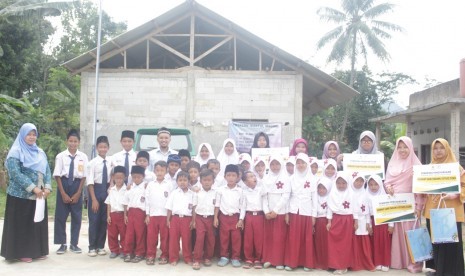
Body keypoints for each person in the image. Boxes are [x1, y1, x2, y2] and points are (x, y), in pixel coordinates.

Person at [1, 123, 52, 262]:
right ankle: (21, 252)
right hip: (20, 196)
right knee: (23, 224)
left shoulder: (40, 152)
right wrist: (32, 188)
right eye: (28, 134)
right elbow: (15, 173)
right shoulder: (16, 151)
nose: (31, 137)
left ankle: (37, 251)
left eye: (34, 134)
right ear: (23, 135)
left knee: (37, 223)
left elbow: (47, 170)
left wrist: (47, 187)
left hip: (39, 195)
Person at [416, 138, 465, 276]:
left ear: (447, 149)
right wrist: (419, 183)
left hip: (451, 212)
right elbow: (423, 190)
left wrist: (456, 194)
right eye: (435, 148)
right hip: (433, 211)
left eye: (441, 148)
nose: (438, 151)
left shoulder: (457, 168)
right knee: (436, 243)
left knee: (451, 243)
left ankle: (453, 272)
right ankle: (439, 270)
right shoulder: (429, 168)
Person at [384, 137, 423, 273]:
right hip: (396, 204)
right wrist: (388, 187)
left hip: (410, 205)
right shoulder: (392, 163)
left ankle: (413, 262)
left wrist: (419, 207)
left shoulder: (416, 165)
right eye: (399, 147)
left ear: (411, 148)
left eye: (405, 147)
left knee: (410, 233)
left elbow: (421, 188)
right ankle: (398, 262)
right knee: (397, 233)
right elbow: (387, 181)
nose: (402, 150)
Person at [53, 129, 88, 254]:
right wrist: (62, 193)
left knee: (76, 216)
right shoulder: (61, 156)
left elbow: (84, 176)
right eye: (70, 141)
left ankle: (74, 243)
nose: (73, 144)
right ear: (67, 141)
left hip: (77, 186)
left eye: (75, 141)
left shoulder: (83, 157)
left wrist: (79, 192)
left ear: (79, 142)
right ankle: (62, 244)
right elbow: (57, 175)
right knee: (61, 216)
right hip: (64, 184)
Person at [284, 153, 317, 271]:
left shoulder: (313, 179)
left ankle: (307, 263)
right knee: (293, 237)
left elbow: (315, 198)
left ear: (307, 164)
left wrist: (314, 215)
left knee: (306, 238)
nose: (300, 165)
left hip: (307, 212)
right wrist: (287, 213)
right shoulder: (291, 178)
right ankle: (292, 262)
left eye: (302, 162)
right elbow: (287, 196)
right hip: (294, 211)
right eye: (298, 162)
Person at [262, 155, 290, 270]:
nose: (275, 167)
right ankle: (268, 259)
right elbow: (263, 196)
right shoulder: (265, 178)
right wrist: (266, 211)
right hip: (268, 214)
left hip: (280, 212)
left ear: (281, 165)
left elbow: (286, 196)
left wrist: (276, 211)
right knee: (269, 237)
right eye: (272, 164)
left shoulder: (286, 178)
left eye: (277, 164)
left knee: (279, 237)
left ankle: (278, 260)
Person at [86, 135, 112, 257]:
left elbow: (112, 176)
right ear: (97, 148)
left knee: (103, 221)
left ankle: (101, 246)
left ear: (108, 147)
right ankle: (92, 247)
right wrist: (94, 199)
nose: (103, 149)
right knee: (94, 221)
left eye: (105, 147)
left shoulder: (110, 161)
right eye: (100, 147)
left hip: (106, 192)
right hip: (95, 192)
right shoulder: (92, 163)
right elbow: (90, 183)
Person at [214, 164, 243, 268]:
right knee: (224, 238)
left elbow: (242, 207)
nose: (231, 177)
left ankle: (235, 257)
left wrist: (241, 219)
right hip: (223, 218)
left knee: (236, 238)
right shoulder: (221, 190)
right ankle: (224, 256)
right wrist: (215, 218)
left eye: (233, 175)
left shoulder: (240, 191)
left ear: (237, 177)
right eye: (229, 175)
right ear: (225, 176)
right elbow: (217, 205)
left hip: (235, 217)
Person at [326, 171, 355, 275]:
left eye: (343, 183)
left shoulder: (351, 194)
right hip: (336, 220)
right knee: (334, 244)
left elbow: (354, 209)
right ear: (335, 183)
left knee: (345, 245)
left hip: (347, 220)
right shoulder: (332, 194)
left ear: (347, 183)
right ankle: (334, 264)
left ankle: (343, 266)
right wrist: (329, 221)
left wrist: (355, 221)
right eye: (339, 183)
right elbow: (329, 208)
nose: (341, 185)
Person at [145, 161, 172, 265]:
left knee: (165, 237)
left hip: (165, 216)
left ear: (166, 171)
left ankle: (164, 255)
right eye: (157, 170)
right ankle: (151, 255)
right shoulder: (151, 185)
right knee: (151, 237)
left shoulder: (169, 185)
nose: (160, 173)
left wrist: (169, 217)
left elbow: (171, 201)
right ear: (154, 171)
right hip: (152, 215)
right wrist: (147, 214)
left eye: (162, 170)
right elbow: (147, 200)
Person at [165, 171, 195, 265]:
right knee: (173, 239)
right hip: (175, 219)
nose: (182, 182)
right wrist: (168, 220)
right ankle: (173, 258)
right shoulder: (174, 193)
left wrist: (193, 220)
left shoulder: (192, 194)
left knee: (187, 240)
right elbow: (169, 207)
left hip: (187, 219)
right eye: (180, 180)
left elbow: (194, 208)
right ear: (177, 181)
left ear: (189, 181)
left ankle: (187, 258)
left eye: (185, 180)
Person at [191, 169, 217, 270]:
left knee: (211, 239)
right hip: (199, 218)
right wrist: (193, 220)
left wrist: (215, 218)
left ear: (213, 181)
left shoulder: (216, 192)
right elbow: (194, 207)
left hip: (210, 218)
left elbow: (216, 207)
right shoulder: (197, 192)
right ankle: (197, 259)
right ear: (200, 181)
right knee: (199, 238)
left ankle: (207, 257)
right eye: (204, 180)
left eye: (209, 180)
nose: (207, 182)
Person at [240, 171, 265, 269]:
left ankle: (258, 258)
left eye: (254, 175)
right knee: (248, 238)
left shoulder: (260, 190)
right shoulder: (244, 191)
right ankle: (248, 258)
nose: (254, 177)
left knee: (259, 239)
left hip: (259, 216)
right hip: (249, 216)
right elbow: (243, 206)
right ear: (245, 182)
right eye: (250, 177)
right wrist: (241, 219)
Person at [350, 172, 375, 272]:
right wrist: (354, 219)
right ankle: (355, 264)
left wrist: (369, 223)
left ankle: (367, 264)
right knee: (354, 243)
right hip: (352, 220)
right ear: (353, 181)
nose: (359, 183)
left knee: (364, 242)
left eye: (361, 181)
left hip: (363, 220)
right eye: (357, 180)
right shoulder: (349, 193)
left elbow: (368, 211)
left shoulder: (366, 194)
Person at [367, 174, 392, 272]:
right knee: (375, 243)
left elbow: (390, 211)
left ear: (380, 185)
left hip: (384, 222)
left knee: (385, 243)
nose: (373, 187)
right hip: (373, 223)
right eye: (371, 184)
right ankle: (377, 262)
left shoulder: (385, 196)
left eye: (376, 184)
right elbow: (367, 213)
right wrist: (369, 225)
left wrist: (391, 225)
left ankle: (385, 262)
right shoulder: (367, 196)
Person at [122, 166, 147, 263]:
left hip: (141, 213)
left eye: (139, 177)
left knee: (140, 234)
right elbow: (125, 202)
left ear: (143, 177)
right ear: (131, 177)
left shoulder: (146, 187)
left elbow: (147, 202)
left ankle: (140, 253)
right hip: (130, 212)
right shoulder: (129, 188)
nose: (136, 179)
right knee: (129, 234)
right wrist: (125, 215)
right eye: (134, 177)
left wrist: (146, 215)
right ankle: (128, 252)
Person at [105, 166, 127, 259]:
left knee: (124, 234)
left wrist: (126, 215)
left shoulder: (127, 190)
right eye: (117, 178)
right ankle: (114, 250)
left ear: (125, 178)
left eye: (121, 178)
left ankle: (123, 250)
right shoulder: (111, 190)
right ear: (113, 178)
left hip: (122, 214)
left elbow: (126, 205)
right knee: (112, 234)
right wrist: (108, 216)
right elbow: (108, 203)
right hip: (113, 215)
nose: (118, 180)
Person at [314, 177, 332, 270]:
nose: (321, 190)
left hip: (325, 221)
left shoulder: (330, 197)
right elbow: (313, 209)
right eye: (319, 188)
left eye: (324, 188)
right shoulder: (315, 197)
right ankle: (319, 262)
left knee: (326, 243)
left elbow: (330, 210)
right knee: (317, 242)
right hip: (317, 221)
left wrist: (329, 221)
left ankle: (326, 263)